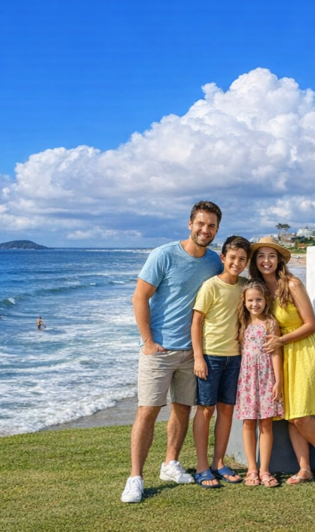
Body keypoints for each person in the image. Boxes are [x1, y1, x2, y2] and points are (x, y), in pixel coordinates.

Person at [121, 200, 224, 504]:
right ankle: (135, 478)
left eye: (212, 226)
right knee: (148, 411)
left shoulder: (214, 262)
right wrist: (148, 341)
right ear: (190, 224)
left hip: (193, 351)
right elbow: (139, 297)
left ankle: (170, 464)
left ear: (217, 230)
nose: (205, 230)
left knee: (183, 408)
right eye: (201, 224)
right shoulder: (163, 255)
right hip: (160, 350)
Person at [252, 236, 315, 483]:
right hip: (278, 356)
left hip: (302, 350)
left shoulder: (291, 284)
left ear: (279, 259)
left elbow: (312, 325)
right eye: (260, 256)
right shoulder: (258, 289)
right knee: (291, 413)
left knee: (300, 414)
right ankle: (305, 469)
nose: (266, 261)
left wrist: (281, 341)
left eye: (271, 255)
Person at [190, 235, 250, 489]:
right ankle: (202, 467)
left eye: (242, 259)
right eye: (232, 258)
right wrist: (198, 357)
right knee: (206, 409)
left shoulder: (246, 286)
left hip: (236, 358)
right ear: (223, 258)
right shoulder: (210, 286)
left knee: (227, 410)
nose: (237, 263)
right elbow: (196, 322)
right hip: (211, 357)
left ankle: (218, 462)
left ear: (246, 263)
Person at [235, 280, 284, 488]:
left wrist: (278, 381)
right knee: (248, 422)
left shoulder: (270, 323)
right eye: (250, 300)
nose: (254, 304)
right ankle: (251, 469)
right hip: (247, 379)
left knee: (265, 423)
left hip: (266, 378)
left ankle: (264, 469)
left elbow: (275, 352)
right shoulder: (242, 323)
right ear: (244, 302)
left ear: (266, 301)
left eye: (258, 299)